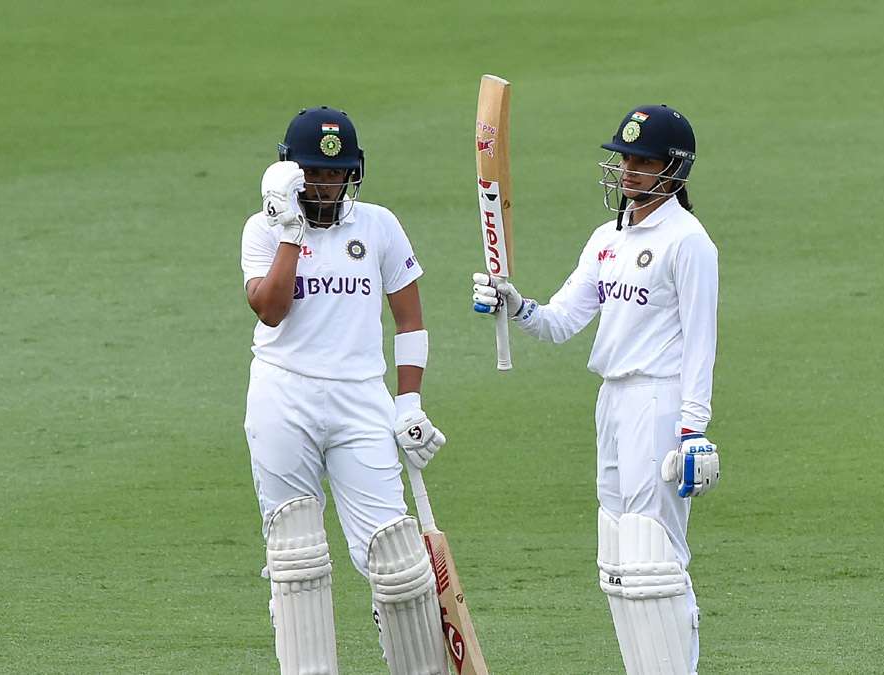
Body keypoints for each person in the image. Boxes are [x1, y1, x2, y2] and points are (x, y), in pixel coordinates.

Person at [472, 104, 721, 674]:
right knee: (617, 552)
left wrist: (693, 430)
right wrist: (514, 304)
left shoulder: (689, 243)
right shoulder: (605, 238)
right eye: (625, 159)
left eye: (643, 161)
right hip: (612, 401)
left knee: (655, 550)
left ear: (674, 170)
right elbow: (560, 321)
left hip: (658, 402)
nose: (628, 171)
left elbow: (701, 341)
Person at [241, 106, 450, 674]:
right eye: (313, 173)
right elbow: (270, 310)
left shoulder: (379, 225)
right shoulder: (262, 229)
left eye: (337, 173)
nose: (326, 184)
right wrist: (289, 230)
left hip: (362, 400)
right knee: (297, 554)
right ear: (290, 173)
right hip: (283, 397)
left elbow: (410, 321)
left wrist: (409, 402)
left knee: (399, 560)